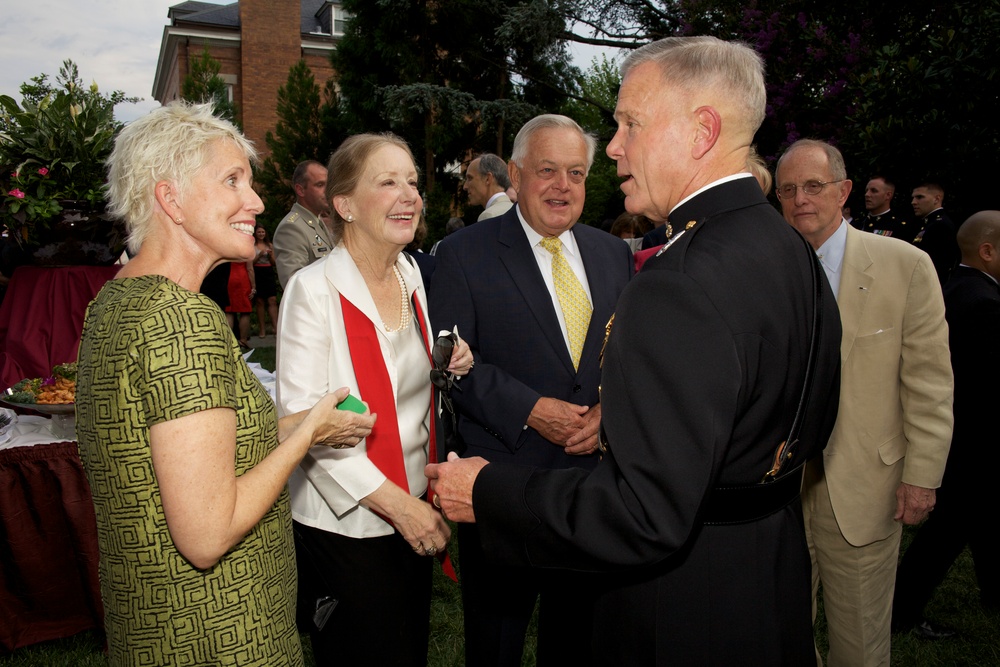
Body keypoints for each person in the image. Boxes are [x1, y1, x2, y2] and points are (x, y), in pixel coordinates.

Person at [428, 37, 842, 665]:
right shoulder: (788, 250)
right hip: (766, 574)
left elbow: (643, 514)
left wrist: (488, 492)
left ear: (701, 131)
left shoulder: (678, 282)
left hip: (681, 605)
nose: (614, 146)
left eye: (630, 123)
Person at [74, 102, 376, 667]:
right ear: (171, 199)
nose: (256, 202)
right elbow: (207, 535)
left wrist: (307, 428)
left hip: (153, 624)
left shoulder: (115, 301)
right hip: (220, 632)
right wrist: (304, 431)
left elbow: (188, 446)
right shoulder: (182, 320)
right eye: (232, 180)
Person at [429, 113, 633, 666]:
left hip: (590, 486)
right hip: (500, 482)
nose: (562, 186)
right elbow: (449, 365)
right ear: (516, 176)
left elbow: (632, 356)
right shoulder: (462, 256)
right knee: (496, 642)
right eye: (547, 170)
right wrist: (531, 409)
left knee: (579, 640)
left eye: (576, 172)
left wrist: (611, 412)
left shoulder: (614, 255)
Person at [276, 132, 473, 666]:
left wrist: (450, 355)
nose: (409, 193)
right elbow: (303, 425)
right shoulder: (312, 290)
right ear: (345, 205)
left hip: (412, 499)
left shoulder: (410, 272)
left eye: (412, 180)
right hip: (347, 521)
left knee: (406, 649)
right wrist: (399, 508)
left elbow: (401, 370)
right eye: (387, 182)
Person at [774, 139, 953, 666]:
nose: (801, 199)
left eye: (814, 186)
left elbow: (929, 382)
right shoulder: (767, 269)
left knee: (860, 641)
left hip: (864, 486)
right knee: (783, 634)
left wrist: (922, 475)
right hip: (778, 489)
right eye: (788, 189)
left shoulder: (906, 265)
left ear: (844, 191)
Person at [892, 210, 1000, 637]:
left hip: (958, 438)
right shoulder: (985, 304)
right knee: (947, 534)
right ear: (987, 251)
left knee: (986, 519)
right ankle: (901, 611)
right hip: (972, 443)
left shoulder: (957, 288)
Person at [273, 159, 336, 288]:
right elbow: (294, 285)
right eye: (320, 185)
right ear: (300, 190)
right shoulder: (292, 227)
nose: (327, 191)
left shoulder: (318, 222)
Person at [911, 182, 959, 284]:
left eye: (919, 197)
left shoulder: (941, 225)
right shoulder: (929, 223)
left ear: (936, 199)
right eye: (913, 198)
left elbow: (938, 265)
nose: (913, 202)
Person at [854, 175, 919, 242]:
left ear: (888, 195)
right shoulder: (857, 224)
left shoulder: (900, 227)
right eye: (866, 191)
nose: (867, 194)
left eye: (874, 191)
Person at [463, 153, 514, 222]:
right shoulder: (518, 211)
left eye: (470, 178)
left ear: (488, 179)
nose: (465, 186)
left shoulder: (490, 215)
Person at [252, 224, 279, 338]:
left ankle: (276, 328)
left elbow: (274, 263)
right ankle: (262, 329)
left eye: (263, 232)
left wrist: (270, 255)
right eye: (259, 232)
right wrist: (260, 255)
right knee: (260, 301)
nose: (261, 234)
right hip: (257, 272)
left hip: (268, 272)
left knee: (272, 299)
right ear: (255, 233)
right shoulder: (252, 246)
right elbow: (251, 263)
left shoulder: (270, 245)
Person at [225, 258, 255, 348]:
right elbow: (250, 269)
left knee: (229, 311)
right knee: (245, 311)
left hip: (229, 277)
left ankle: (229, 340)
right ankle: (243, 340)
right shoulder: (245, 248)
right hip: (242, 278)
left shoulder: (228, 248)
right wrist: (253, 286)